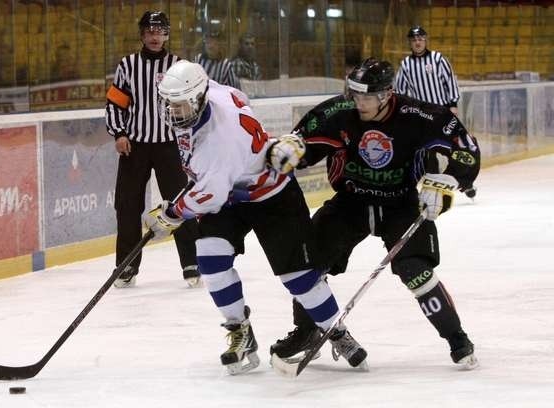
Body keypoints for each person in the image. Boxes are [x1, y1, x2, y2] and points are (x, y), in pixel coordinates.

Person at [147, 60, 367, 375]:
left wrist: (171, 214)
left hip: (271, 194)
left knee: (301, 279)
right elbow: (239, 98)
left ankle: (336, 331)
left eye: (179, 105)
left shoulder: (218, 143)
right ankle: (240, 332)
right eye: (170, 104)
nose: (172, 111)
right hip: (231, 192)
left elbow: (209, 196)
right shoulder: (215, 93)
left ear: (197, 98)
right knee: (211, 258)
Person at [267, 58, 480, 370]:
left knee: (415, 270)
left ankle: (457, 338)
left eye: (366, 97)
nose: (358, 102)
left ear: (387, 94)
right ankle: (309, 330)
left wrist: (449, 180)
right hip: (350, 202)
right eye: (355, 94)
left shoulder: (418, 115)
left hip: (401, 204)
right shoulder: (338, 111)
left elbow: (466, 148)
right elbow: (301, 144)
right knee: (306, 263)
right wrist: (290, 149)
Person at [105, 11, 200, 288]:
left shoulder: (178, 66)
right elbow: (115, 104)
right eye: (150, 31)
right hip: (134, 146)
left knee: (181, 203)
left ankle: (192, 263)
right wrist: (119, 133)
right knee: (127, 205)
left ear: (167, 34)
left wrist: (188, 137)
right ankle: (126, 266)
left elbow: (192, 104)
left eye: (160, 31)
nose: (155, 36)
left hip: (170, 146)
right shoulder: (128, 65)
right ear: (142, 34)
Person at [395, 26, 477, 199]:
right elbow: (400, 91)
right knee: (427, 152)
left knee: (456, 149)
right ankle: (433, 187)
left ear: (425, 40)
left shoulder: (438, 59)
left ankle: (465, 183)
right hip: (422, 117)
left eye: (420, 39)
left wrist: (453, 104)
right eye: (414, 40)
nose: (417, 42)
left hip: (443, 114)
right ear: (410, 42)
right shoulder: (405, 64)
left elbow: (450, 80)